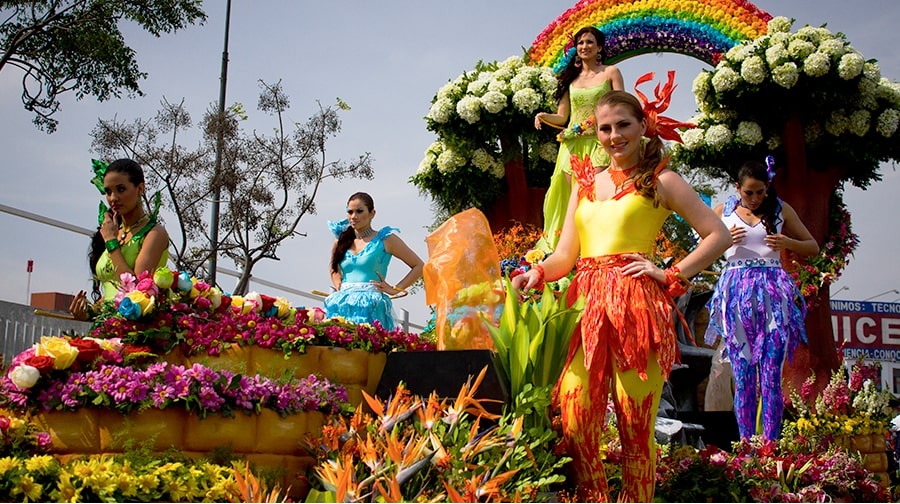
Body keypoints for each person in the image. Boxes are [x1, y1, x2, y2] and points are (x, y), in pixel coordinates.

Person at [514, 82, 731, 501]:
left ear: (644, 125)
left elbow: (716, 234)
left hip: (636, 308)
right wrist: (537, 273)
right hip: (586, 307)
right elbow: (565, 255)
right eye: (604, 128)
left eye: (623, 125)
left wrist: (670, 274)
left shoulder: (661, 179)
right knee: (575, 423)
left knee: (635, 429)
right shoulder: (585, 182)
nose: (615, 136)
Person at [704, 158, 818, 441]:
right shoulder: (723, 210)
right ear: (737, 188)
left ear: (768, 189)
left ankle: (770, 444)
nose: (755, 198)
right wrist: (725, 239)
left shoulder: (780, 209)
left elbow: (812, 246)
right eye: (748, 192)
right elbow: (702, 248)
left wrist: (787, 243)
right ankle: (744, 443)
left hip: (772, 293)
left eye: (760, 192)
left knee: (770, 375)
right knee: (741, 375)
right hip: (736, 293)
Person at [533, 26, 624, 253]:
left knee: (595, 195)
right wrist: (544, 116)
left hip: (600, 143)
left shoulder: (610, 72)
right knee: (575, 200)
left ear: (600, 47)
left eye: (590, 42)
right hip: (572, 147)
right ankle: (573, 253)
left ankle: (602, 245)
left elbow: (622, 104)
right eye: (580, 43)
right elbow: (563, 116)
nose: (584, 46)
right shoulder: (570, 80)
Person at [69, 159, 170, 319]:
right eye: (108, 192)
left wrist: (110, 241)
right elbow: (112, 294)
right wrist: (89, 311)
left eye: (121, 189)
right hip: (106, 328)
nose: (113, 198)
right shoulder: (113, 232)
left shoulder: (155, 233)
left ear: (140, 189)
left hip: (134, 332)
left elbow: (134, 290)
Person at [324, 192, 424, 330]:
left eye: (359, 211)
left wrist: (395, 289)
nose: (354, 216)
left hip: (371, 306)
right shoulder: (340, 241)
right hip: (341, 305)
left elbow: (419, 266)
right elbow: (333, 268)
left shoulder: (386, 240)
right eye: (350, 212)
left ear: (372, 213)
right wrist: (339, 288)